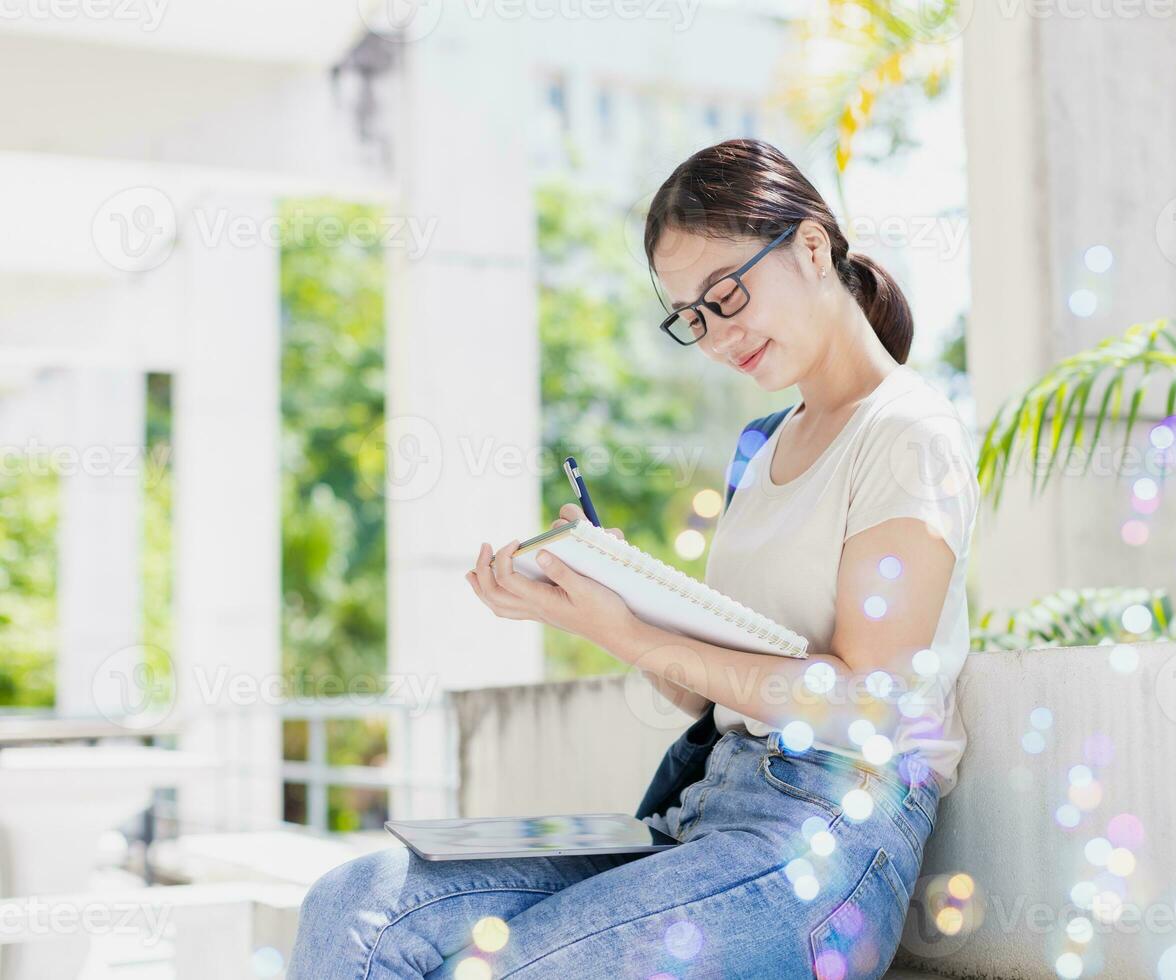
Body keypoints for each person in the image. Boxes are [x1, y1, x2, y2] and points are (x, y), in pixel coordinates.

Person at [288, 138, 979, 980]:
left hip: (826, 836)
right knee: (358, 904)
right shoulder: (765, 449)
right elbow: (703, 688)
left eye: (726, 296)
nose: (718, 337)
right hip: (707, 814)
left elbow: (866, 704)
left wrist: (638, 633)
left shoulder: (905, 433)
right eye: (693, 317)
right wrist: (598, 602)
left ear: (809, 244)